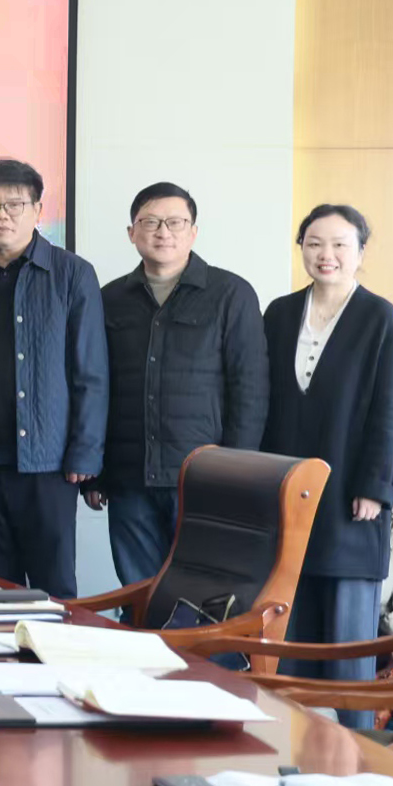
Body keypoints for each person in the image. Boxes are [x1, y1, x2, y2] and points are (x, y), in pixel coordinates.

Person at [0, 158, 105, 597]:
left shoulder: (72, 274)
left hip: (49, 464)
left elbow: (90, 371)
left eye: (14, 205)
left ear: (37, 210)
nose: (2, 215)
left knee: (53, 589)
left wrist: (85, 454)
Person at [262, 204, 393, 709]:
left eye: (340, 245)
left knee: (347, 646)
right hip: (290, 492)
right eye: (314, 243)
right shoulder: (280, 314)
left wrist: (376, 487)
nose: (326, 254)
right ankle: (293, 736)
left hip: (352, 495)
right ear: (301, 249)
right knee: (291, 632)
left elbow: (392, 410)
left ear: (360, 252)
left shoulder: (381, 319)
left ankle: (351, 745)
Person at [86, 183, 269, 586]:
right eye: (150, 222)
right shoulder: (109, 299)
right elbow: (96, 388)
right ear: (132, 233)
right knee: (139, 594)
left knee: (201, 595)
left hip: (204, 480)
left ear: (193, 232)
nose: (163, 232)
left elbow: (250, 390)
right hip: (129, 478)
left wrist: (237, 474)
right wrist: (96, 472)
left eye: (175, 222)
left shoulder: (230, 294)